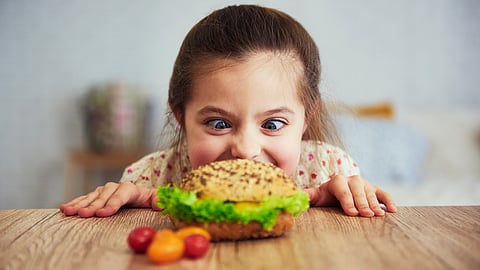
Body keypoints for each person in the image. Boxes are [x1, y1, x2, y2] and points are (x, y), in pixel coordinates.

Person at [60, 5, 396, 219]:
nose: (246, 149)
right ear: (181, 116)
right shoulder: (148, 178)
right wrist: (126, 206)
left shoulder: (328, 170)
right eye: (219, 123)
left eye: (273, 123)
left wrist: (347, 200)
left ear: (306, 118)